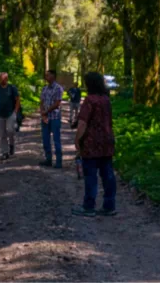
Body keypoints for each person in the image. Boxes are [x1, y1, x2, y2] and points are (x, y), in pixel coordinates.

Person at [72, 71, 117, 217]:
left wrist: (77, 140)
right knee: (108, 175)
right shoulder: (106, 99)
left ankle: (89, 206)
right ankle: (109, 206)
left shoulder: (89, 100)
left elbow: (83, 122)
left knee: (91, 176)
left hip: (91, 144)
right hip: (107, 142)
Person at [39, 69, 64, 168]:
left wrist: (46, 111)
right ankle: (48, 159)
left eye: (48, 75)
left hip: (55, 117)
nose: (46, 77)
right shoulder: (44, 88)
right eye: (46, 75)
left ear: (53, 76)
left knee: (56, 139)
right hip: (45, 118)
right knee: (45, 139)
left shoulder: (58, 88)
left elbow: (57, 103)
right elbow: (41, 102)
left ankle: (59, 161)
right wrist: (43, 114)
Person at [0, 72, 20, 160]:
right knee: (2, 134)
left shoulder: (11, 88)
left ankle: (12, 144)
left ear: (7, 79)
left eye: (4, 79)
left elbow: (17, 99)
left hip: (10, 113)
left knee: (10, 130)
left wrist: (15, 111)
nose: (2, 80)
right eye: (1, 79)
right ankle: (5, 152)